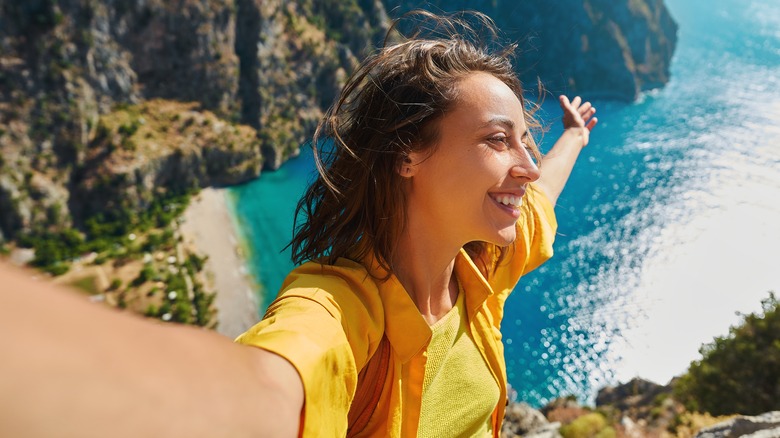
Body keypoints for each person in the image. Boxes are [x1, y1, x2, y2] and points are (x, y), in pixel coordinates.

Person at [0, 10, 596, 438]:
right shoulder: (337, 310)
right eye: (499, 139)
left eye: (526, 139)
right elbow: (265, 383)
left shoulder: (481, 269)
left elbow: (540, 193)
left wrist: (573, 135)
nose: (526, 163)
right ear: (408, 155)